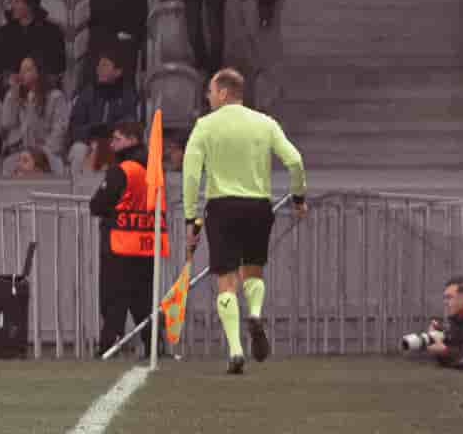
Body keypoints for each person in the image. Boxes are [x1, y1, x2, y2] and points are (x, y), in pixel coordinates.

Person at [180, 68, 307, 374]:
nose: (208, 97)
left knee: (226, 278)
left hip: (222, 206)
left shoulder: (205, 126)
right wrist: (298, 198)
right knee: (253, 269)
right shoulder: (265, 123)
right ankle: (255, 313)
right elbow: (295, 161)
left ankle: (236, 350)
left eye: (211, 91)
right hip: (258, 206)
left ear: (223, 92)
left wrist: (191, 217)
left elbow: (191, 174)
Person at [87, 120, 166, 356]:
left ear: (132, 140)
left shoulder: (122, 171)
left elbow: (97, 204)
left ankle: (109, 347)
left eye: (117, 139)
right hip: (147, 244)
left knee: (114, 300)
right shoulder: (153, 171)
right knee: (144, 302)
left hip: (120, 244)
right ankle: (155, 347)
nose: (112, 144)